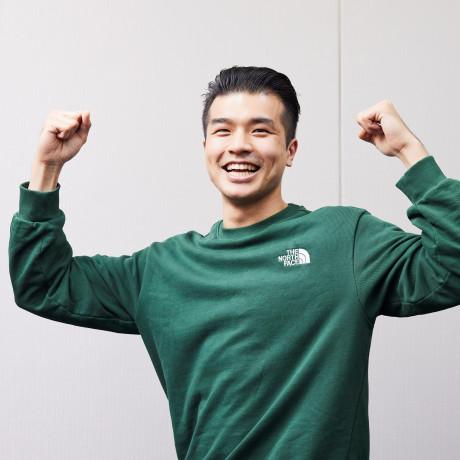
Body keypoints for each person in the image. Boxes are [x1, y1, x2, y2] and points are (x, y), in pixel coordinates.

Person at [9, 66, 460, 459]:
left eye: (261, 131)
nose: (239, 145)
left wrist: (409, 151)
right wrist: (47, 168)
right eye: (223, 131)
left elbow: (452, 267)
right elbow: (43, 285)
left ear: (291, 150)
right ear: (206, 147)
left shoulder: (345, 239)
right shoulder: (162, 270)